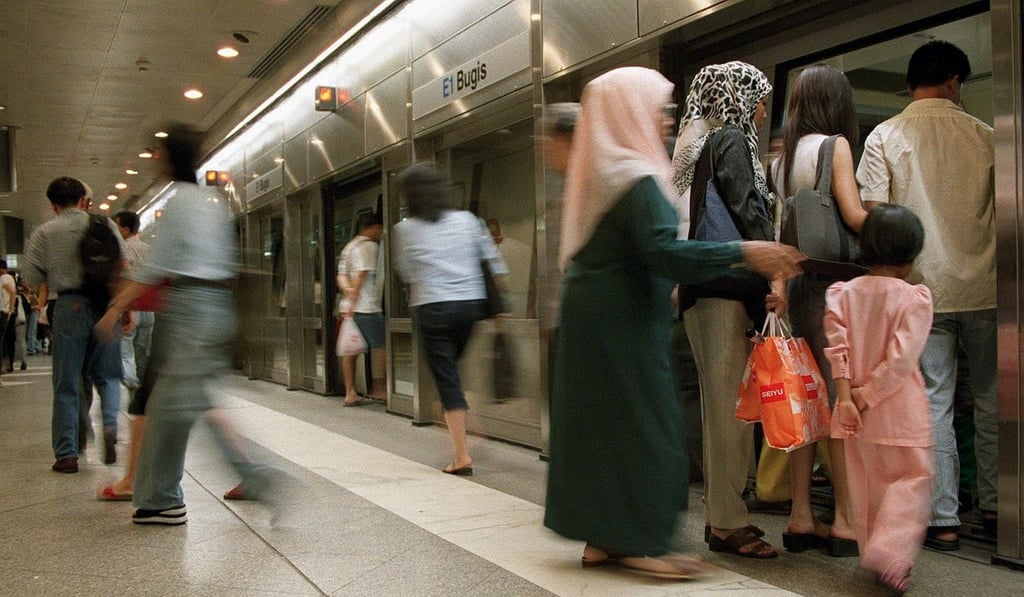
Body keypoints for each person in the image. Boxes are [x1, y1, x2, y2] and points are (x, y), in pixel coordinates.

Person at [544, 66, 803, 579]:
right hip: (623, 317)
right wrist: (745, 252)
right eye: (657, 109)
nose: (666, 120)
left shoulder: (602, 171)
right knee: (649, 424)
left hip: (592, 312)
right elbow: (665, 254)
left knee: (603, 426)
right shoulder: (636, 178)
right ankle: (645, 543)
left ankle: (603, 538)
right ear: (629, 112)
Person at [97, 124, 283, 524]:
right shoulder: (210, 200)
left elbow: (156, 269)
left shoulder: (180, 202)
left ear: (168, 159)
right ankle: (160, 497)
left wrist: (115, 308)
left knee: (177, 403)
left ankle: (240, 478)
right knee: (182, 402)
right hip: (214, 306)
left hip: (190, 310)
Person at [856, 40, 995, 550]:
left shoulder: (884, 137)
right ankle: (1002, 507)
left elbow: (876, 217)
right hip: (987, 287)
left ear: (910, 83)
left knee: (932, 402)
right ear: (956, 81)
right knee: (993, 400)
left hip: (921, 292)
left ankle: (942, 518)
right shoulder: (987, 138)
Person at [670, 61, 781, 558]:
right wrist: (774, 260)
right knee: (729, 411)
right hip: (724, 291)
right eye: (758, 97)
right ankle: (726, 523)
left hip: (702, 292)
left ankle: (723, 516)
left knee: (722, 410)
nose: (762, 110)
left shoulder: (695, 147)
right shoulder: (730, 140)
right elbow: (744, 206)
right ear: (736, 98)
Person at [770, 64, 869, 556]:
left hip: (796, 290)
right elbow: (852, 214)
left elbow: (779, 236)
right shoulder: (835, 147)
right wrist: (895, 223)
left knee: (804, 401)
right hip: (833, 289)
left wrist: (779, 289)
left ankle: (800, 515)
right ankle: (847, 521)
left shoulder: (781, 161)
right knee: (837, 401)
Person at [825, 204, 933, 592]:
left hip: (852, 416)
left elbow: (837, 349)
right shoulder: (915, 299)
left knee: (866, 488)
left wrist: (847, 398)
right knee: (910, 480)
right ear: (910, 257)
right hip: (899, 412)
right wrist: (867, 396)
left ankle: (874, 553)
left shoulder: (841, 294)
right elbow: (901, 360)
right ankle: (889, 558)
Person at [392, 161, 509, 476]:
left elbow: (406, 271)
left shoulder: (404, 229)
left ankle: (461, 456)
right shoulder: (468, 220)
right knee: (452, 373)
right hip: (470, 307)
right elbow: (494, 266)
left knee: (446, 379)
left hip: (432, 307)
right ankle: (465, 421)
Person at [22, 177, 126, 472]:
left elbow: (30, 276)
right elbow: (123, 265)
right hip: (106, 306)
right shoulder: (105, 225)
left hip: (69, 305)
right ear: (83, 199)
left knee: (67, 382)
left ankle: (67, 453)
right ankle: (109, 424)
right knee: (107, 376)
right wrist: (122, 308)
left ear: (53, 204)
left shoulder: (45, 232)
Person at [337, 212, 386, 406]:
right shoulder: (369, 246)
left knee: (351, 351)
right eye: (379, 229)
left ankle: (350, 392)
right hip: (366, 307)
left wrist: (348, 294)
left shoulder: (350, 247)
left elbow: (340, 276)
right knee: (382, 347)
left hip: (351, 307)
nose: (381, 233)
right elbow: (362, 274)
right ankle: (383, 388)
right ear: (373, 228)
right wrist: (355, 296)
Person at [0, 260, 15, 378]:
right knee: (8, 339)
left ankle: (2, 365)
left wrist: (10, 307)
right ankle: (9, 363)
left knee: (2, 340)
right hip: (6, 312)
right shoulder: (10, 277)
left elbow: (12, 292)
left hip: (3, 311)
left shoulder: (4, 278)